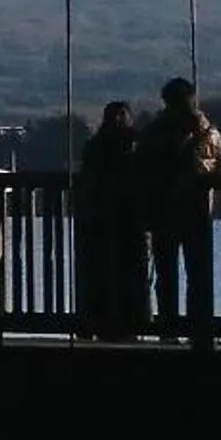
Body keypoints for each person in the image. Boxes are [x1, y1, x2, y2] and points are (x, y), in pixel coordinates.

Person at [138, 77, 221, 343]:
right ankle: (200, 328)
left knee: (167, 274)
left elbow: (142, 165)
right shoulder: (210, 132)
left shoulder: (158, 130)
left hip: (165, 210)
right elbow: (220, 163)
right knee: (198, 274)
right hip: (198, 211)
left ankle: (169, 328)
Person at [77, 102, 144, 340]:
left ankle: (97, 320)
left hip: (98, 219)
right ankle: (128, 322)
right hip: (128, 220)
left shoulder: (95, 146)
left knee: (99, 272)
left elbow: (88, 180)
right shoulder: (136, 145)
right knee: (127, 273)